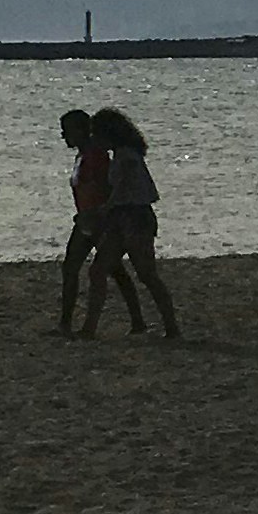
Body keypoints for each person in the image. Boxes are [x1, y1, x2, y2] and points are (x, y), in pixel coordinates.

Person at [79, 107, 180, 341]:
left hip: (135, 218)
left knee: (146, 274)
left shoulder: (127, 158)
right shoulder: (123, 156)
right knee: (99, 269)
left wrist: (103, 210)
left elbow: (124, 190)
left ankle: (172, 326)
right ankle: (89, 328)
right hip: (122, 218)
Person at [56, 109, 144, 337]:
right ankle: (65, 323)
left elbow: (107, 187)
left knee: (115, 271)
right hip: (85, 219)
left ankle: (137, 320)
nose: (63, 137)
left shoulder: (97, 156)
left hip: (100, 220)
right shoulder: (83, 155)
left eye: (67, 132)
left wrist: (101, 215)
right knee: (72, 267)